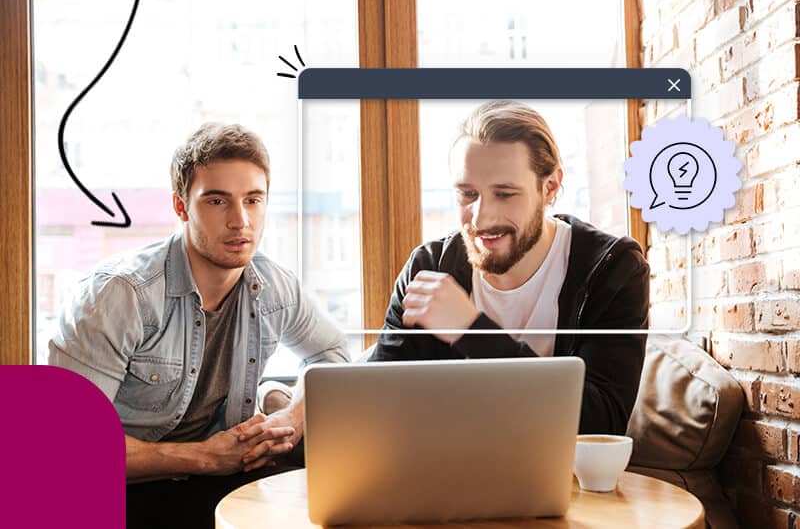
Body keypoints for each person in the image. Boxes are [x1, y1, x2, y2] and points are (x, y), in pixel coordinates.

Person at [49, 123, 349, 529]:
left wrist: (291, 419)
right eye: (217, 201)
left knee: (331, 508)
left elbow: (333, 357)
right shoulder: (119, 296)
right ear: (181, 206)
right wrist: (208, 456)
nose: (240, 220)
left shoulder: (276, 287)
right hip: (110, 491)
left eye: (253, 200)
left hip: (216, 481)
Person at [369, 100, 649, 435]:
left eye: (504, 194)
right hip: (441, 473)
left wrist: (472, 331)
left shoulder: (612, 269)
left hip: (563, 481)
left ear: (550, 188)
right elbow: (376, 407)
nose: (481, 217)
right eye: (468, 194)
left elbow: (602, 423)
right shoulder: (428, 268)